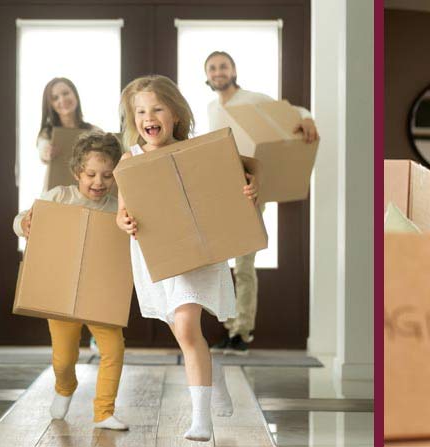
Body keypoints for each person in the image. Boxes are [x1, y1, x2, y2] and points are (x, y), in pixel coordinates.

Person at [116, 75, 255, 441]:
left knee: (187, 325)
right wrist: (125, 221)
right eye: (141, 110)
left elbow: (233, 190)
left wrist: (251, 188)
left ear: (175, 114)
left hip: (197, 253)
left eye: (157, 108)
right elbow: (122, 212)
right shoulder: (129, 158)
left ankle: (201, 419)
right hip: (157, 255)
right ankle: (215, 371)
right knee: (184, 331)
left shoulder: (196, 153)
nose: (149, 116)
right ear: (134, 118)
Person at [201, 51, 318, 352]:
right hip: (219, 191)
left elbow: (295, 110)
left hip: (248, 189)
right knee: (219, 265)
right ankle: (230, 328)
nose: (218, 72)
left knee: (243, 264)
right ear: (207, 74)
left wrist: (305, 119)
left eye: (223, 66)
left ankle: (243, 331)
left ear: (234, 69)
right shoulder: (212, 107)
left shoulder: (251, 100)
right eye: (213, 68)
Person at [13, 131, 130, 431]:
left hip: (101, 293)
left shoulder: (117, 207)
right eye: (91, 174)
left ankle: (104, 411)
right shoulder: (59, 197)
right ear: (77, 171)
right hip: (61, 291)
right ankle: (65, 387)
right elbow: (23, 219)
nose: (98, 182)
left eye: (107, 175)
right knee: (64, 359)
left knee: (114, 350)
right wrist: (24, 222)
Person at [36, 77, 101, 165]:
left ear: (75, 95)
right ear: (51, 105)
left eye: (66, 93)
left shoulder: (94, 131)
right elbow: (43, 148)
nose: (62, 100)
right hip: (57, 179)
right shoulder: (47, 133)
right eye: (55, 98)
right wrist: (46, 152)